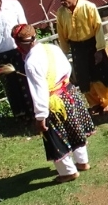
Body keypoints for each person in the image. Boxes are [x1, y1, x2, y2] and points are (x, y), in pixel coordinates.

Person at [13, 24, 94, 183]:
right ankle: (83, 162)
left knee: (55, 136)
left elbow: (40, 92)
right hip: (69, 92)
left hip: (53, 101)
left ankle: (68, 172)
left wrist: (40, 118)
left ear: (19, 44)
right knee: (75, 128)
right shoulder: (52, 48)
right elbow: (67, 68)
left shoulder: (31, 62)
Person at [55, 0, 108, 115]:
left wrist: (99, 49)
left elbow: (98, 28)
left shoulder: (88, 7)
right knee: (84, 76)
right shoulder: (61, 13)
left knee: (99, 75)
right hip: (76, 47)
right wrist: (64, 52)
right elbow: (61, 33)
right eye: (60, 0)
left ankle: (107, 102)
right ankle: (93, 103)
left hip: (92, 44)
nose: (62, 2)